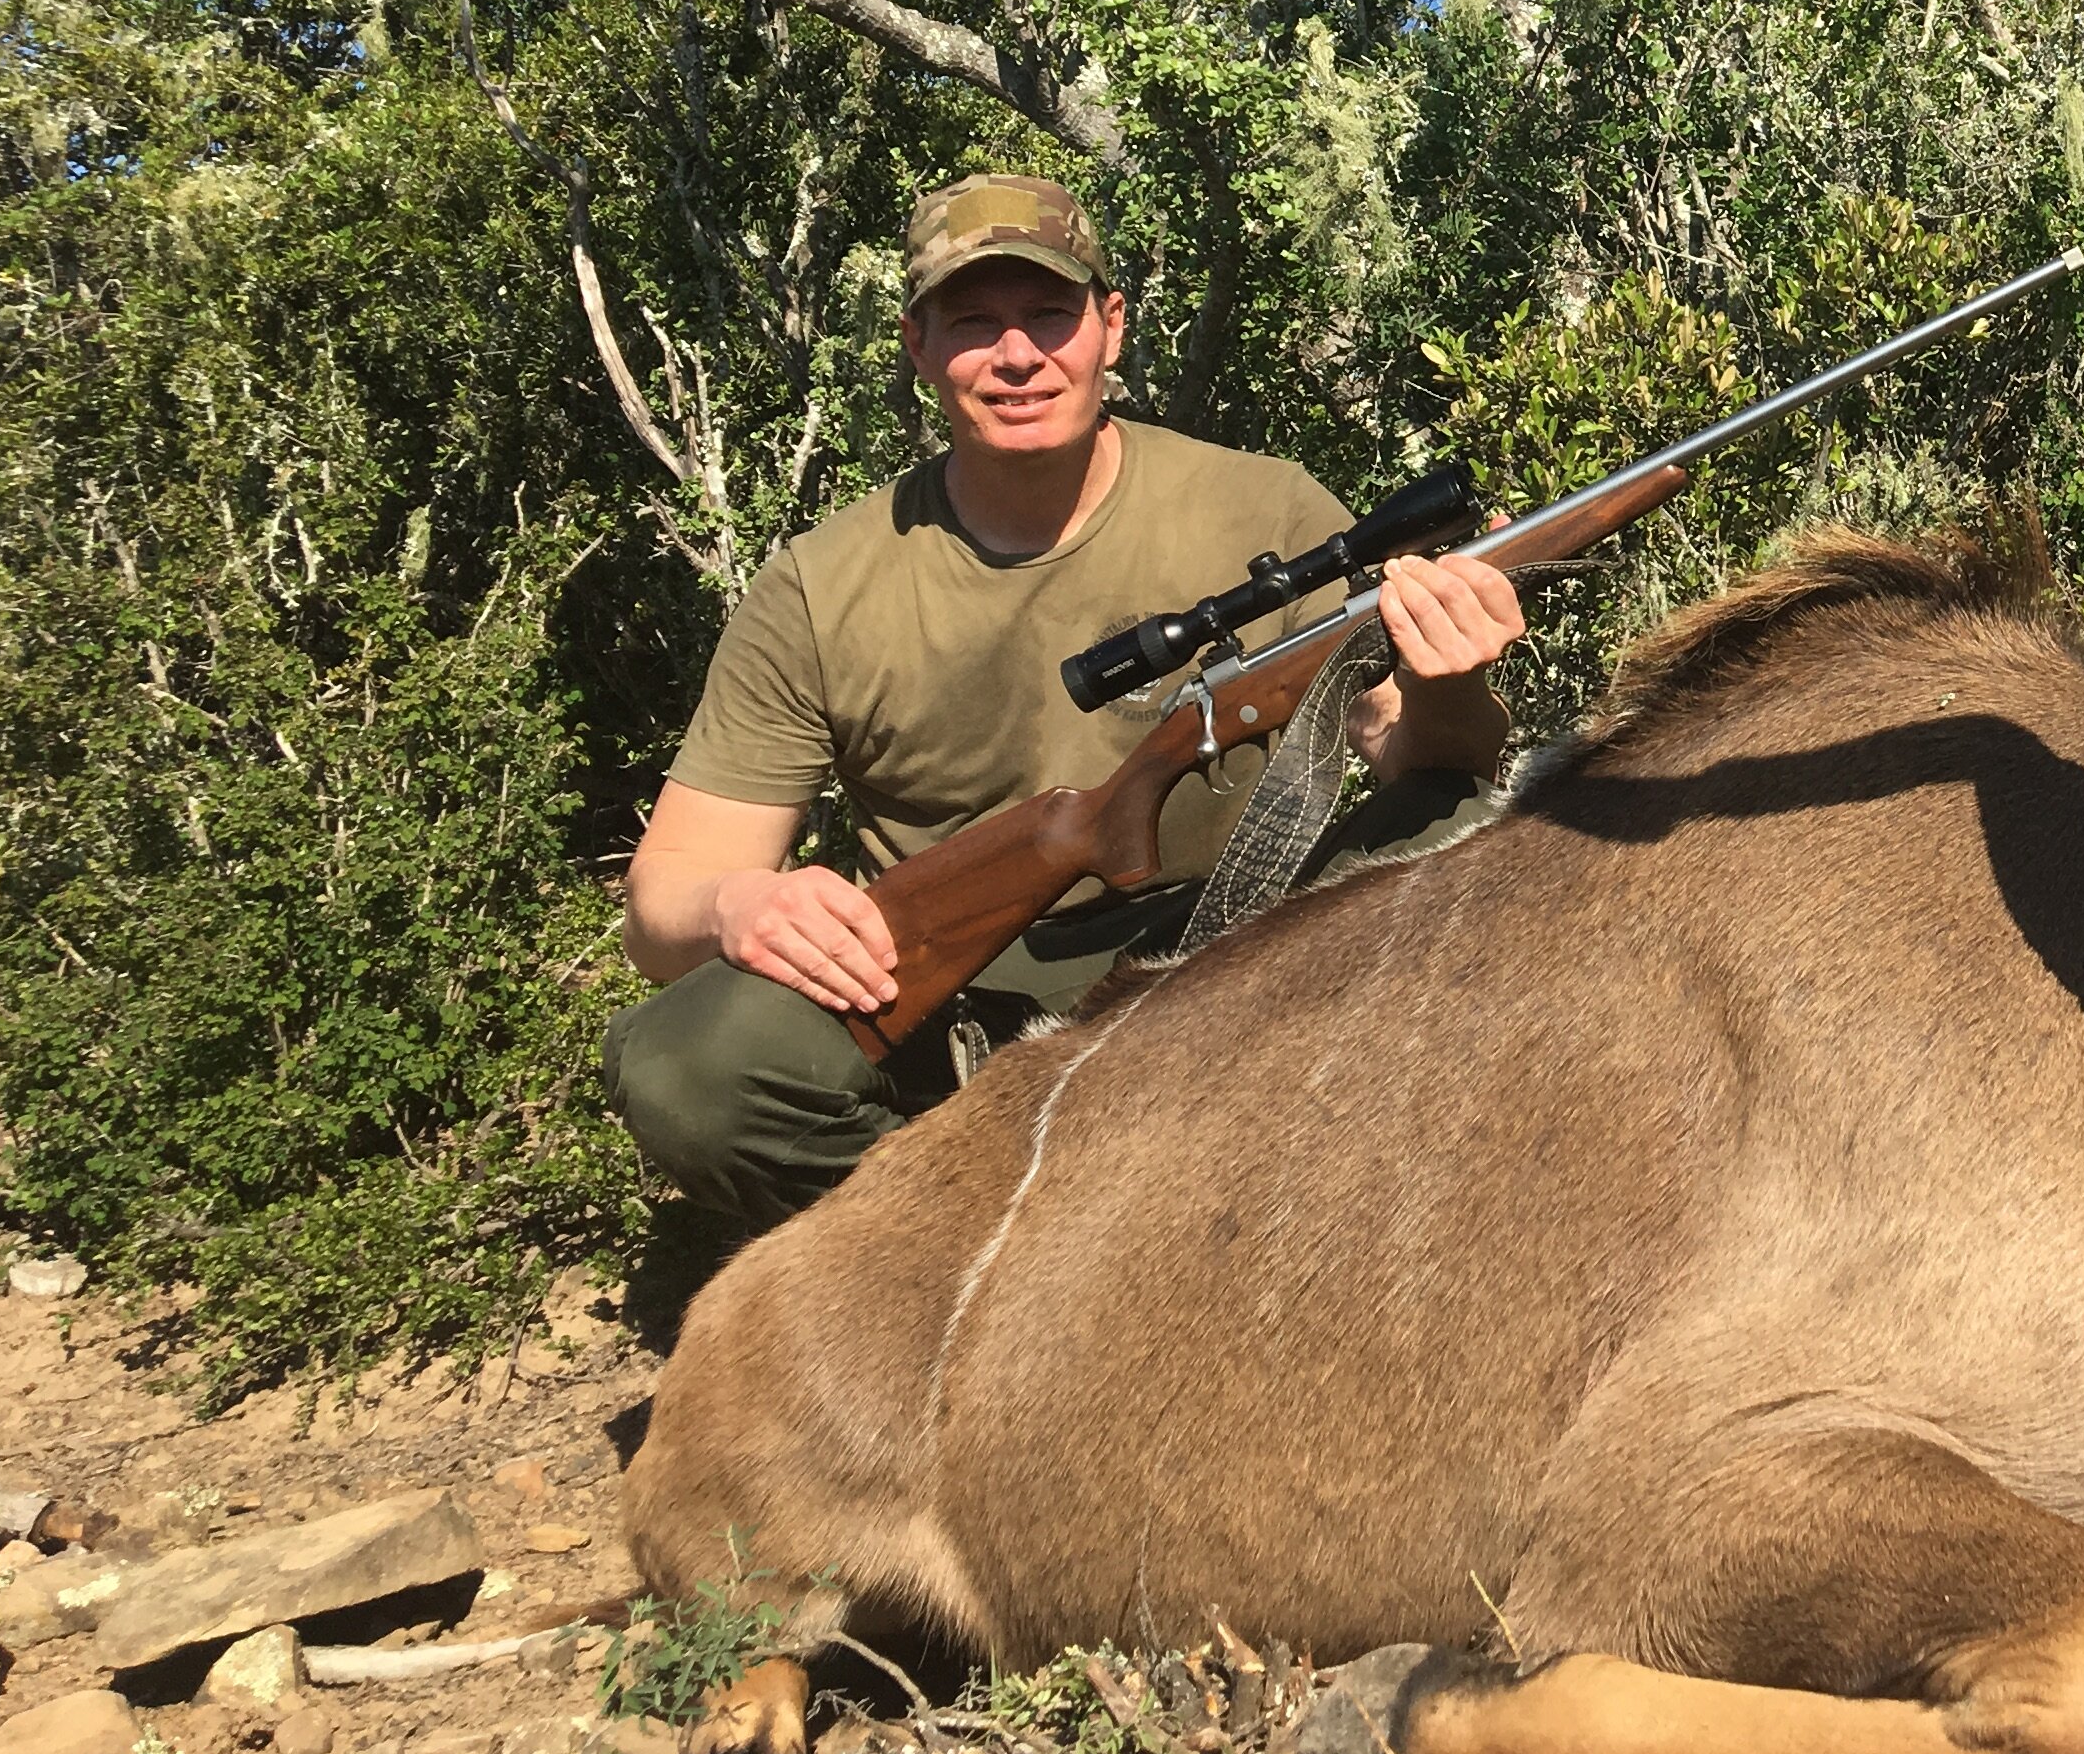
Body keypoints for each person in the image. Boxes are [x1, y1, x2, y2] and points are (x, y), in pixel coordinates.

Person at [603, 172, 1524, 1227]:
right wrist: (739, 906)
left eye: (1050, 313)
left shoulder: (1265, 505)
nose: (1018, 356)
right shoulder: (821, 584)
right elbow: (662, 898)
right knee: (688, 1068)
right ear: (917, 348)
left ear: (1111, 326)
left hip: (1254, 943)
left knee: (1489, 836)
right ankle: (962, 1249)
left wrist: (1452, 681)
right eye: (973, 323)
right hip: (969, 1003)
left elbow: (1422, 762)